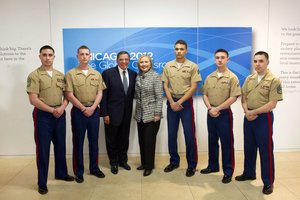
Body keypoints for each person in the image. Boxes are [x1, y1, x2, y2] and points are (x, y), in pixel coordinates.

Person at [27, 45, 74, 195]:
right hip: (43, 116)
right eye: (44, 55)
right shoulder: (34, 75)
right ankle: (42, 182)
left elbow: (67, 96)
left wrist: (62, 108)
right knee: (43, 149)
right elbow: (33, 100)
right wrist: (52, 110)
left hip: (59, 114)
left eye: (50, 55)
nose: (47, 58)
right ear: (39, 56)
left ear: (54, 57)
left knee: (61, 146)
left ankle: (61, 173)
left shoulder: (61, 75)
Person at [235, 51, 283, 194]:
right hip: (248, 116)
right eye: (255, 61)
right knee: (249, 147)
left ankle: (268, 182)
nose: (258, 64)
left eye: (261, 61)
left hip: (263, 118)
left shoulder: (274, 80)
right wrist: (246, 112)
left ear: (267, 62)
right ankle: (249, 172)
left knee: (265, 150)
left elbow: (273, 104)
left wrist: (253, 112)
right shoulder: (249, 79)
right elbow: (243, 98)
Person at [65, 45, 106, 183]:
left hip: (94, 111)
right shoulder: (71, 74)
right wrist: (83, 108)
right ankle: (79, 171)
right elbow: (69, 94)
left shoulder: (96, 74)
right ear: (77, 56)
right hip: (78, 112)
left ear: (90, 56)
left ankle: (94, 168)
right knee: (78, 142)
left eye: (86, 54)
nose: (84, 56)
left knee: (94, 141)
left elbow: (100, 92)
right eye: (81, 54)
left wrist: (93, 107)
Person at [200, 49, 241, 183]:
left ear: (227, 60)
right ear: (214, 59)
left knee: (227, 143)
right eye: (217, 57)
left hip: (224, 114)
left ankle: (228, 171)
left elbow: (234, 97)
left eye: (223, 57)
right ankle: (213, 166)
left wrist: (217, 108)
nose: (220, 60)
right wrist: (210, 108)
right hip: (211, 112)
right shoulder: (209, 76)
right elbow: (204, 94)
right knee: (212, 141)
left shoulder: (232, 77)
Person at [161, 40, 201, 177]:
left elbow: (194, 87)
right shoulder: (168, 66)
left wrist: (180, 102)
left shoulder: (192, 66)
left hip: (186, 104)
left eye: (182, 49)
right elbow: (165, 85)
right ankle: (174, 161)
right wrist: (172, 102)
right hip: (171, 103)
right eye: (177, 49)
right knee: (172, 134)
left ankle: (191, 165)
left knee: (189, 136)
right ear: (174, 50)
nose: (179, 51)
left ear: (186, 50)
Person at [100, 51, 137, 174]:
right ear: (117, 60)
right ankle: (114, 162)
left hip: (127, 114)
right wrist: (105, 113)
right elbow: (103, 96)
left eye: (126, 59)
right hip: (111, 114)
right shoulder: (107, 73)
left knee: (124, 138)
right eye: (121, 59)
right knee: (111, 139)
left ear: (129, 60)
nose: (124, 61)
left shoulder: (133, 74)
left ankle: (123, 160)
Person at [134, 55, 163, 177]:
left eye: (146, 62)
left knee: (149, 141)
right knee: (142, 140)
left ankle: (149, 166)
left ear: (150, 63)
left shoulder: (155, 76)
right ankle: (144, 163)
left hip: (152, 115)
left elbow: (159, 97)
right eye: (141, 62)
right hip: (140, 114)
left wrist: (157, 113)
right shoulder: (138, 76)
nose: (144, 64)